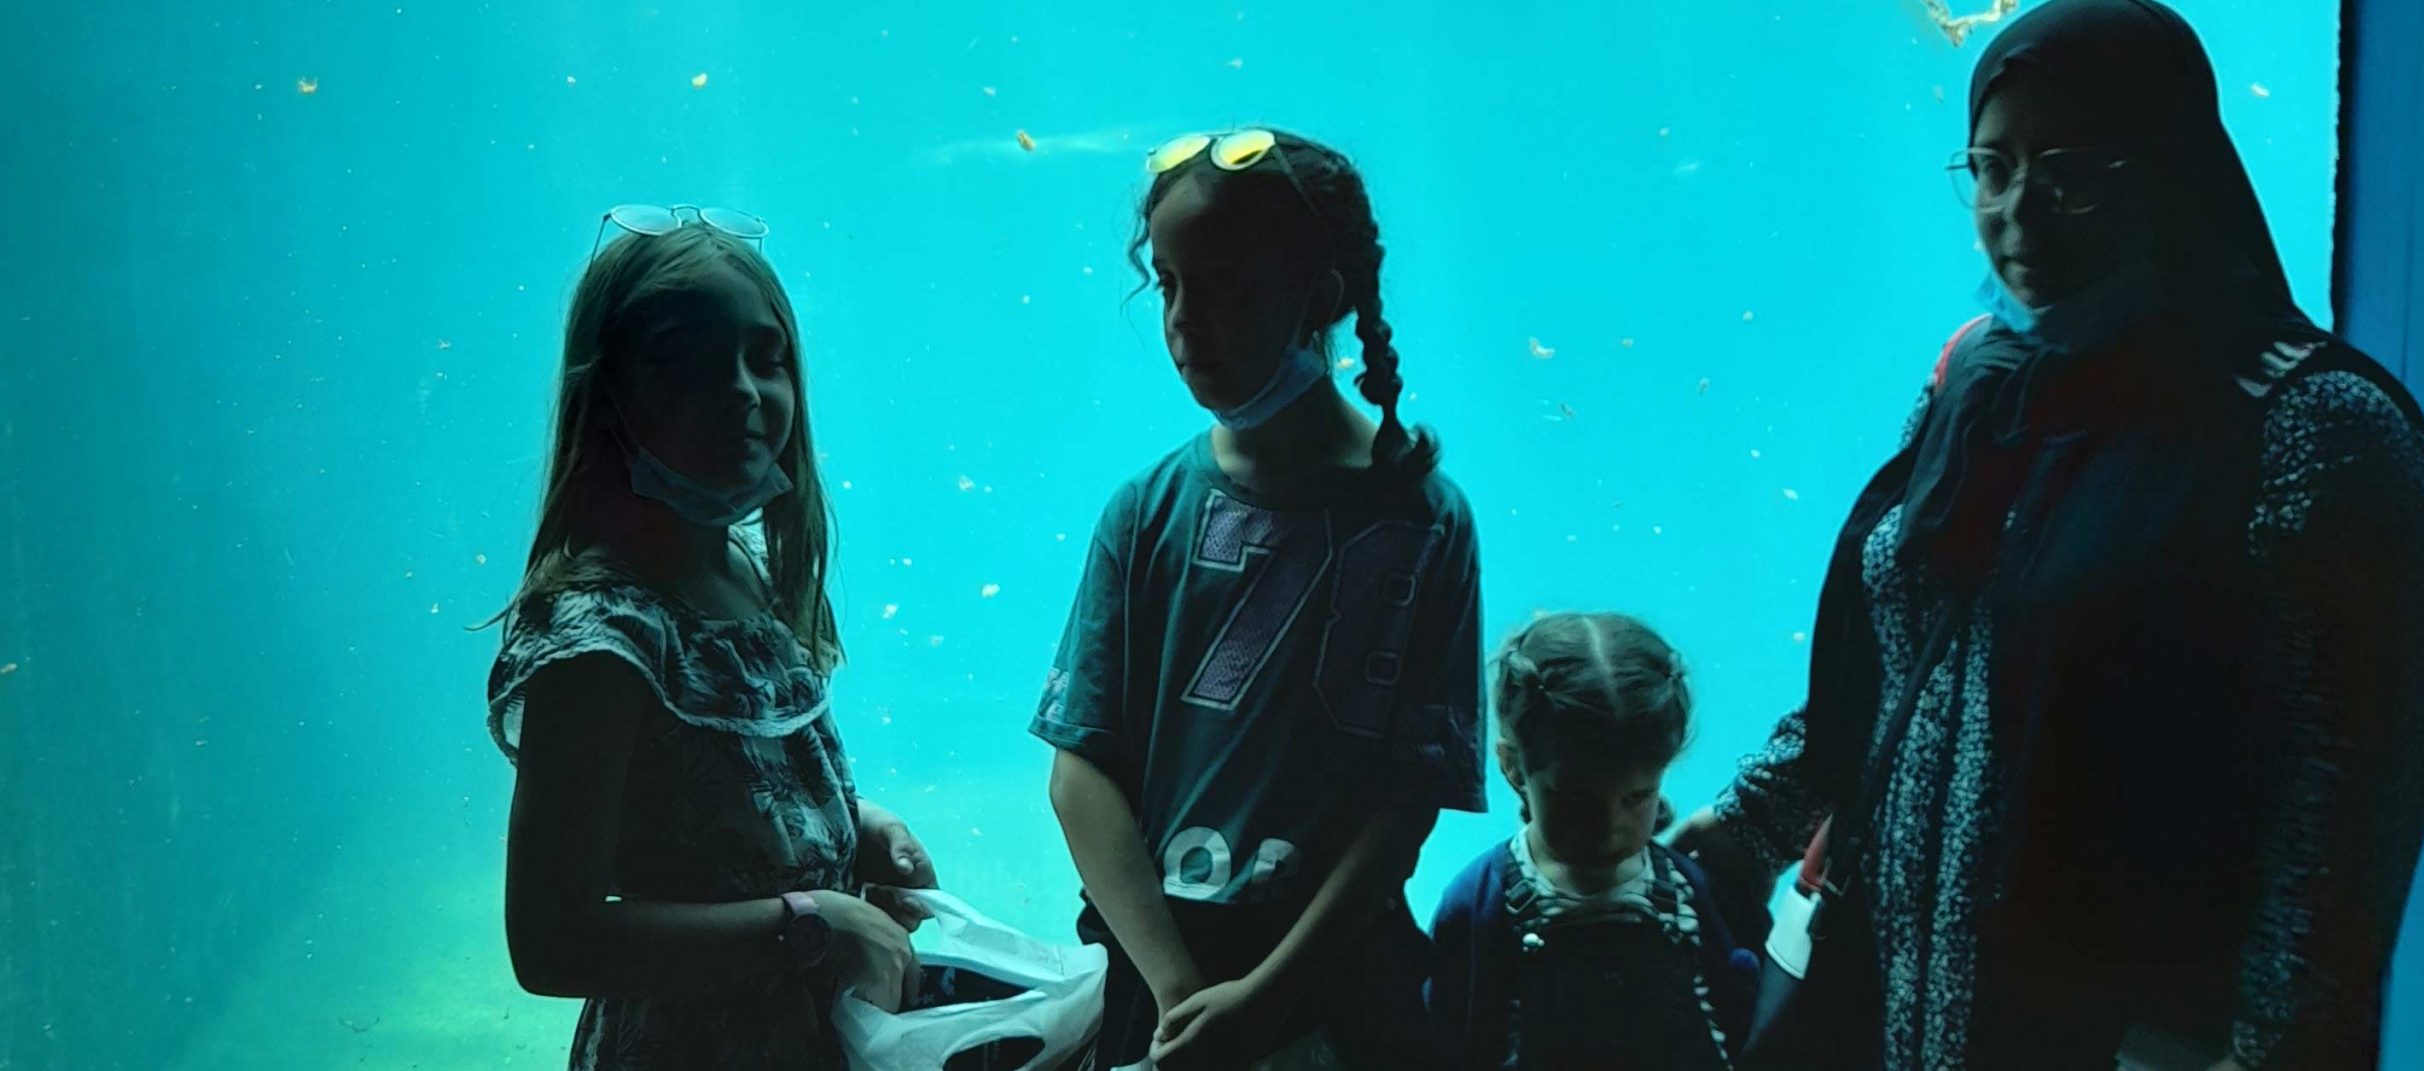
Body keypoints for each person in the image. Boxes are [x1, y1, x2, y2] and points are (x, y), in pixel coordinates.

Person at [1668, 3, 2424, 1069]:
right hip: (1893, 1011)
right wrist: (1755, 820)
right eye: (1991, 169)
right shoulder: (1975, 378)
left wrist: (2274, 1052)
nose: (2018, 212)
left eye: (2072, 172)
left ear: (2168, 170)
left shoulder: (2313, 427)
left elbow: (2343, 822)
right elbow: (1898, 653)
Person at [1035, 129, 1487, 1071]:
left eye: (1224, 287)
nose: (1184, 321)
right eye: (1168, 284)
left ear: (1317, 298)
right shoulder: (1145, 511)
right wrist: (1178, 991)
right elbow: (1081, 772)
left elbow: (1409, 799)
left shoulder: (1427, 519)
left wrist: (1267, 997)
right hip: (1162, 972)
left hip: (1341, 983)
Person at [480, 205, 941, 1070]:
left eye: (765, 358)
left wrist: (856, 829)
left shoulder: (749, 579)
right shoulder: (600, 640)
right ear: (608, 394)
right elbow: (550, 942)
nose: (740, 389)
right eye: (682, 361)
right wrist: (809, 924)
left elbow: (721, 806)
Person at [1426, 612, 1760, 1070]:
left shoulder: (1693, 890)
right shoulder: (1478, 901)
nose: (1608, 827)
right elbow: (1449, 1035)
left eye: (1636, 797)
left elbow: (1738, 1010)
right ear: (1513, 767)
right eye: (1575, 800)